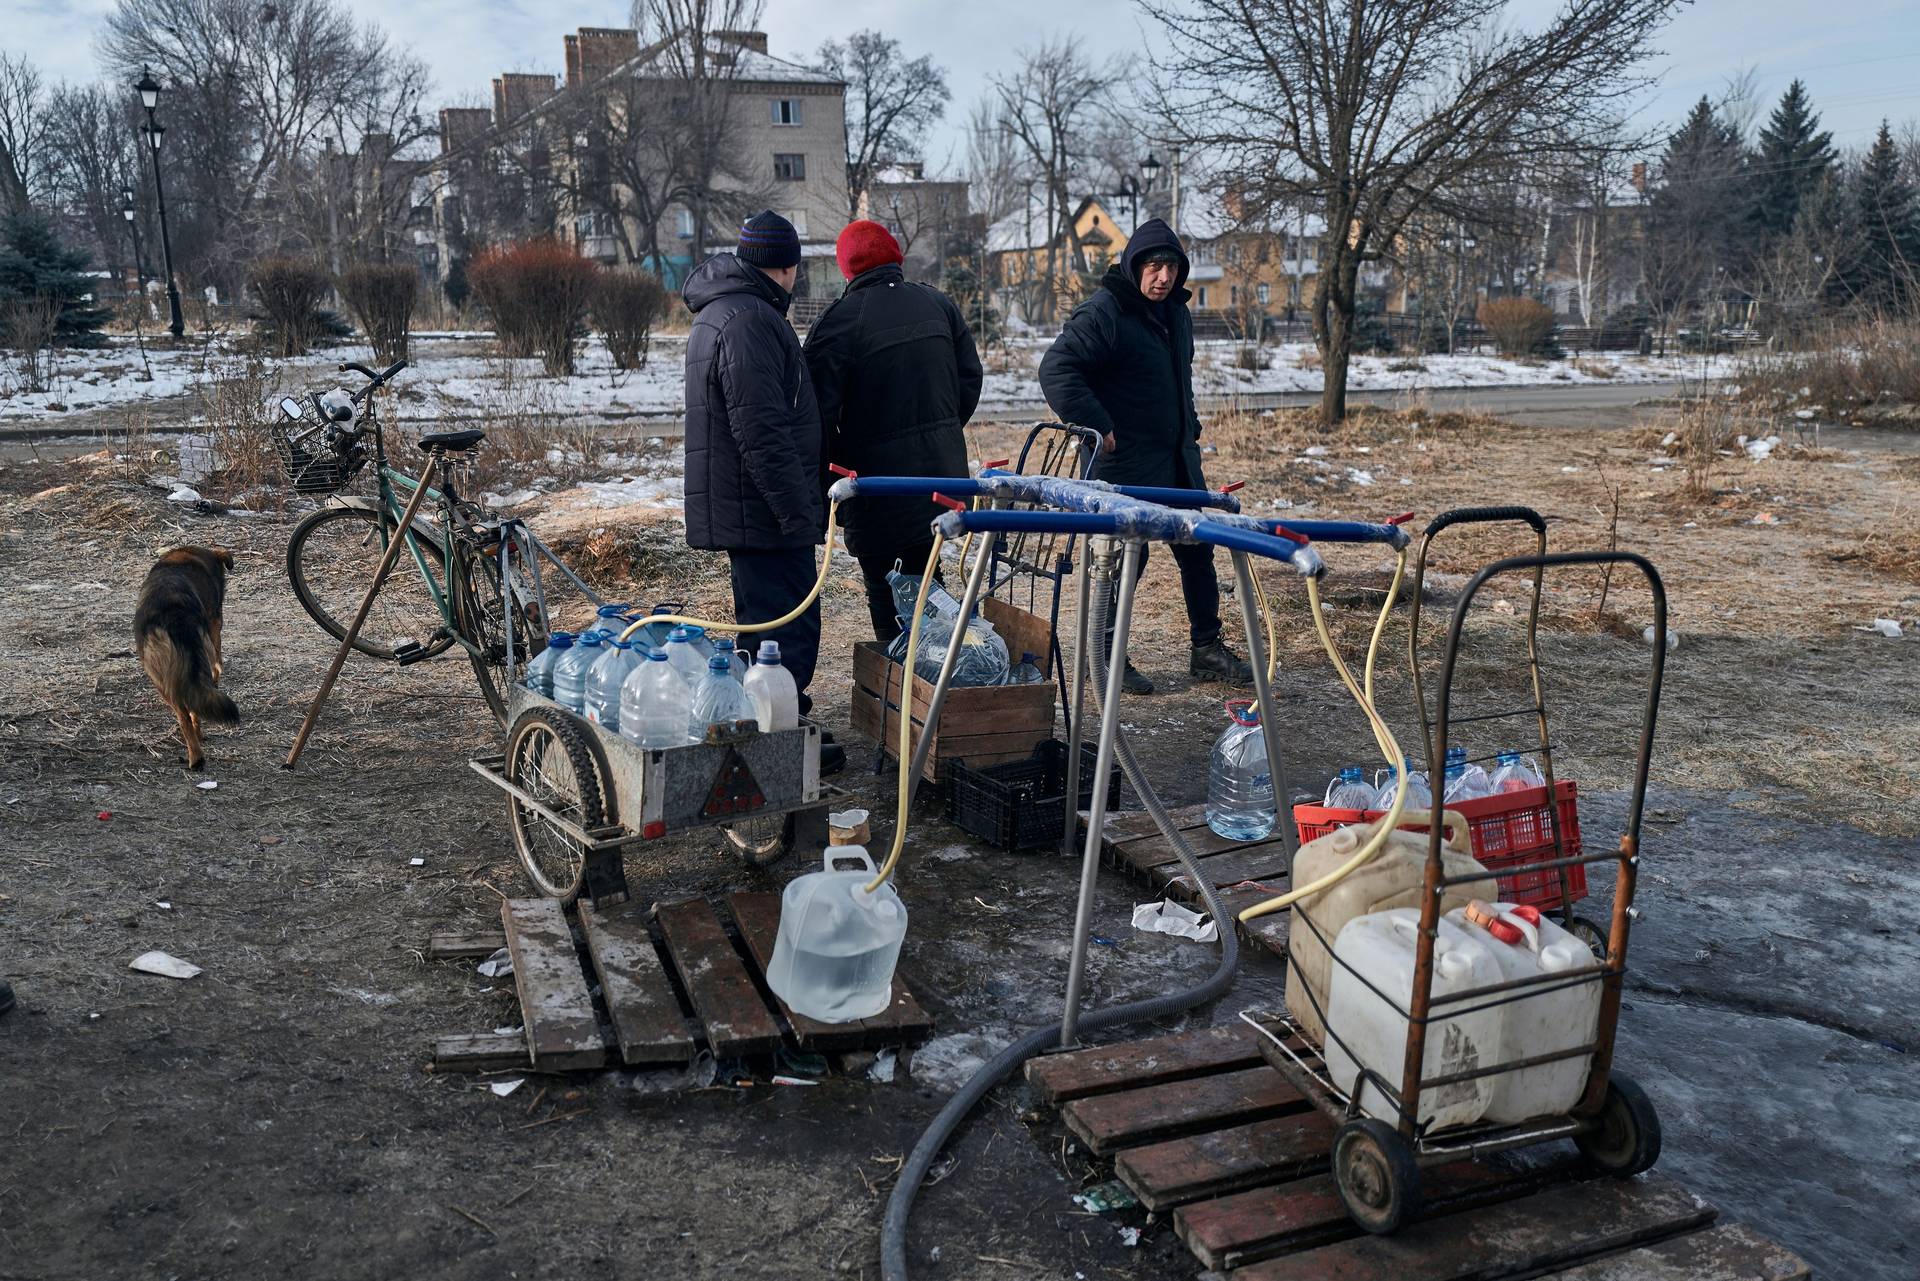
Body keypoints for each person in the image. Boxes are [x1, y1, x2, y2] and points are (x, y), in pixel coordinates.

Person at [1039, 218, 1254, 694]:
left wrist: (1189, 430)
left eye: (1171, 268)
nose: (1163, 277)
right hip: (1123, 464)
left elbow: (1180, 382)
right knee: (1124, 561)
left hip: (1176, 458)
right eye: (1154, 267)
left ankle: (1207, 649)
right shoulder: (1106, 312)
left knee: (1197, 549)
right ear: (1135, 266)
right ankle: (1108, 658)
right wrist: (1099, 423)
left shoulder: (1175, 313)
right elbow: (1056, 370)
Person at [682, 210, 844, 772]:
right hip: (765, 510)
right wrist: (797, 512)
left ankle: (772, 728)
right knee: (786, 626)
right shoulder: (750, 319)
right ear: (788, 266)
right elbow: (761, 430)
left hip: (749, 507)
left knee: (763, 622)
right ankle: (783, 743)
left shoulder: (727, 309)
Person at [805, 220, 983, 645]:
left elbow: (817, 414)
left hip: (874, 484)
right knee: (927, 572)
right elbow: (970, 378)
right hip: (940, 475)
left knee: (884, 586)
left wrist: (828, 476)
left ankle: (899, 683)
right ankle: (933, 674)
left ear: (847, 268)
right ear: (896, 256)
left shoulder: (839, 321)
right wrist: (940, 431)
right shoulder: (938, 303)